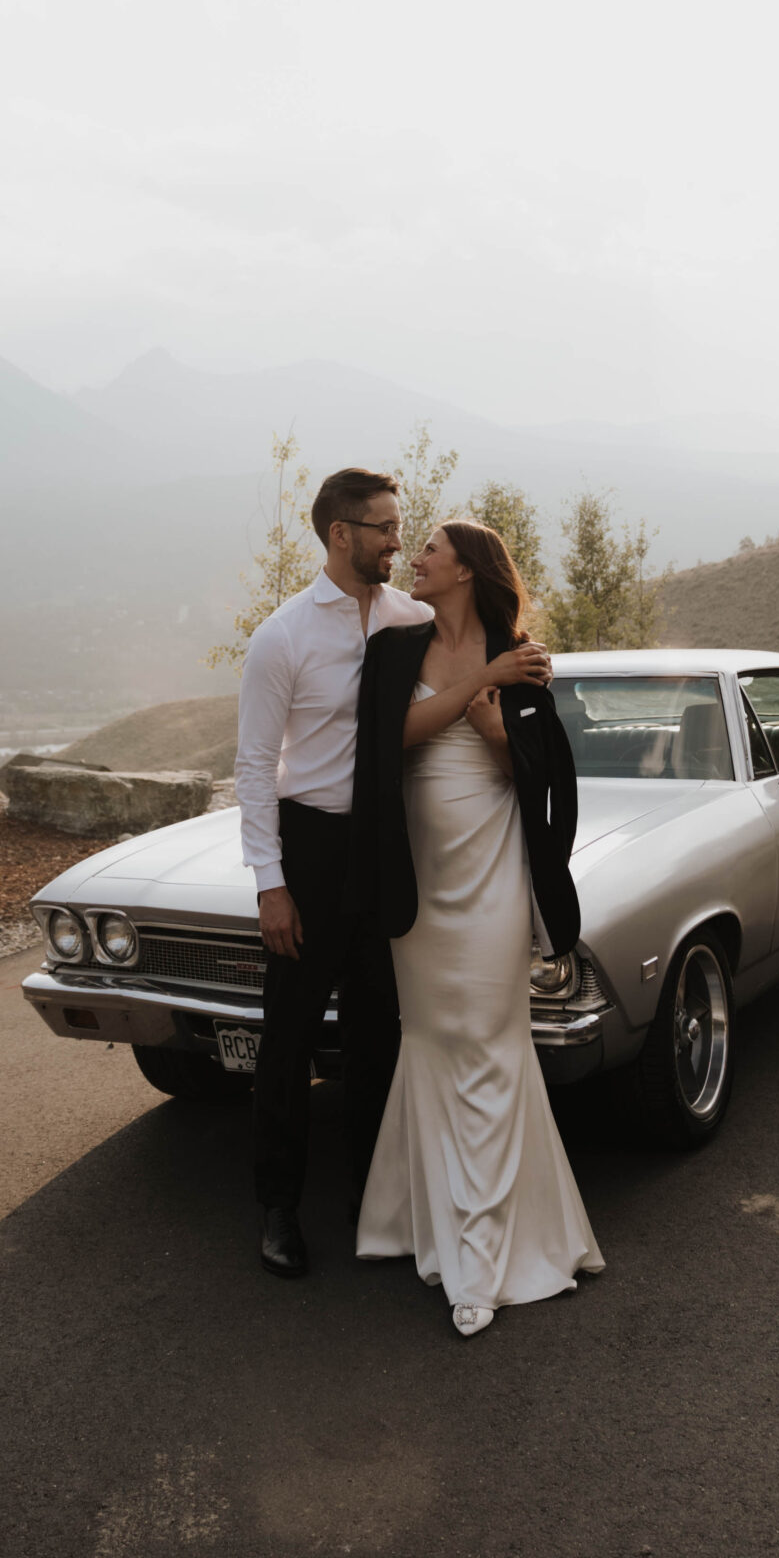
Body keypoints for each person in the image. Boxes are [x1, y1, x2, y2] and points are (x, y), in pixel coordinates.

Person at [353, 521, 604, 1337]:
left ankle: (486, 1255)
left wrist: (499, 736)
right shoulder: (394, 651)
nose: (413, 560)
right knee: (429, 1038)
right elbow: (382, 747)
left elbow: (548, 784)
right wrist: (475, 688)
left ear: (465, 569)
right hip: (415, 880)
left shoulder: (522, 658)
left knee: (490, 1039)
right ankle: (411, 1223)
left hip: (492, 876)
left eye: (427, 549)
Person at [235, 465, 431, 1281]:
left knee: (377, 1033)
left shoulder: (410, 617)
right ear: (340, 534)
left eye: (398, 526)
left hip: (383, 848)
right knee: (287, 1037)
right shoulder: (282, 636)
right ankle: (279, 1207)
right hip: (308, 848)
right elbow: (252, 765)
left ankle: (371, 1201)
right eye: (384, 527)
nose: (397, 541)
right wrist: (270, 883)